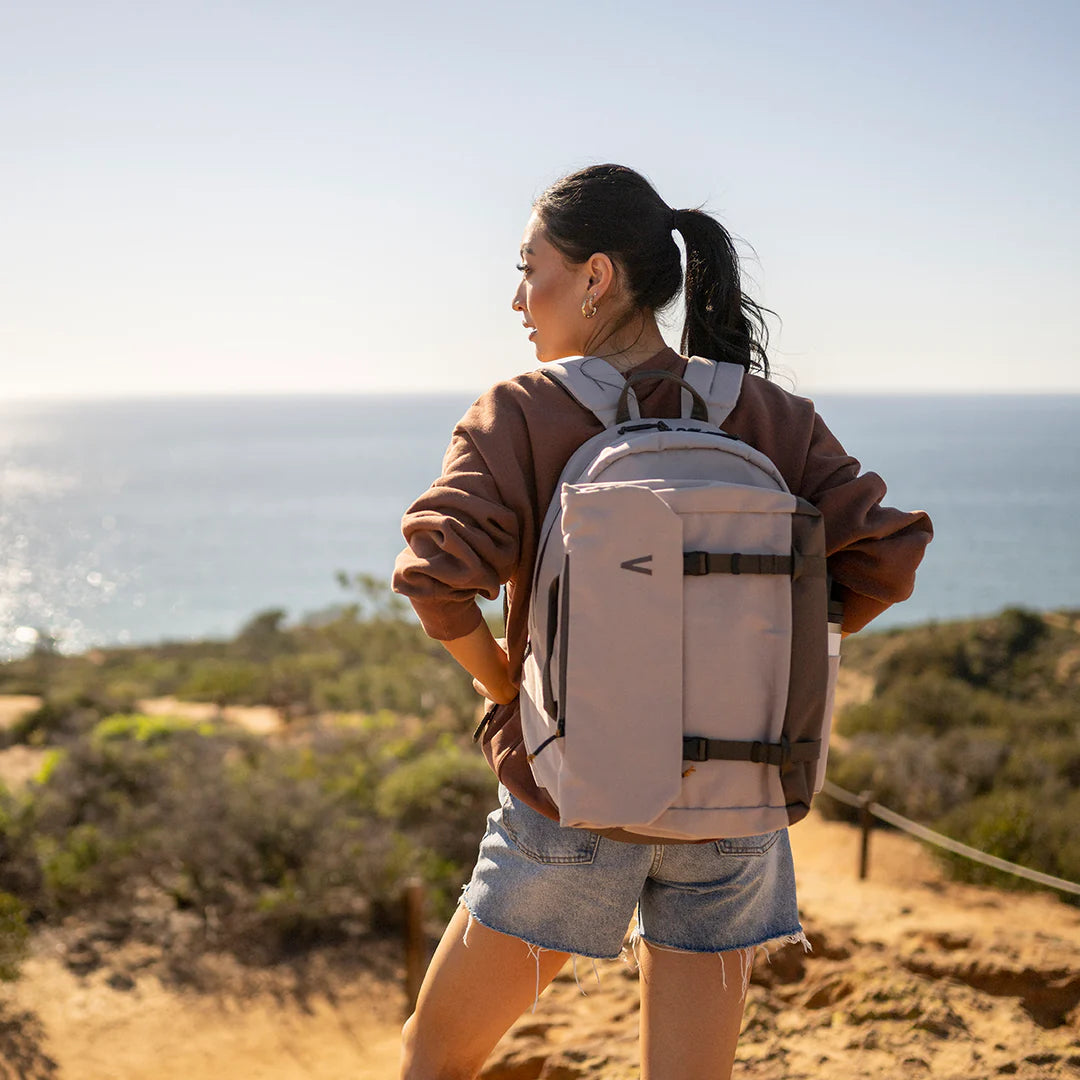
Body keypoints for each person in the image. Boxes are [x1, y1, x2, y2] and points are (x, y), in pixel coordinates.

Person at [392, 164, 932, 1079]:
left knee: (436, 1056)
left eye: (532, 269)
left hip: (572, 799)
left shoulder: (523, 411)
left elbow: (436, 581)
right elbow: (887, 555)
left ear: (597, 276)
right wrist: (767, 666)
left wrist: (508, 694)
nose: (518, 298)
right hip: (737, 802)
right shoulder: (769, 416)